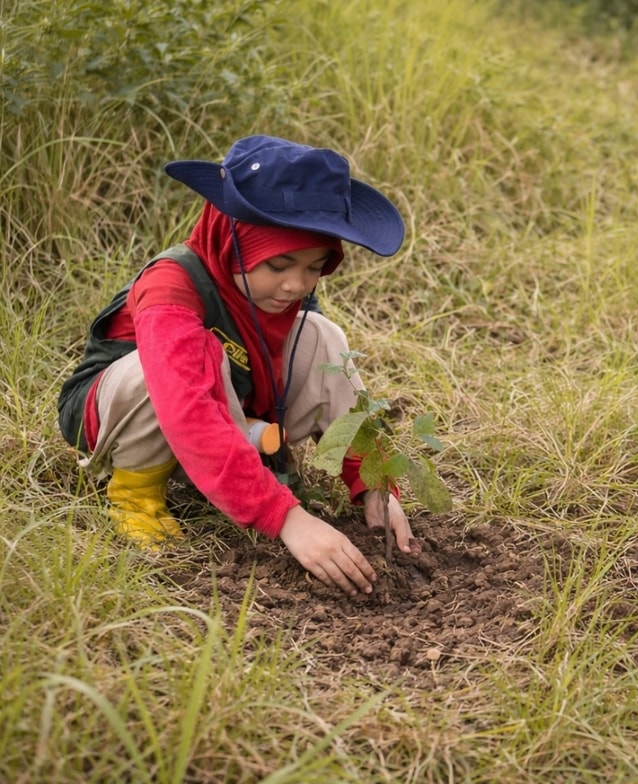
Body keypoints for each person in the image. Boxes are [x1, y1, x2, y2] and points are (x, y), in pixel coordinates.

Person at [58, 135, 420, 598]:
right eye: (279, 265)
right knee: (169, 365)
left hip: (235, 407)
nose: (295, 285)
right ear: (232, 241)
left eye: (314, 267)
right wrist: (287, 518)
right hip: (128, 416)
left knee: (322, 333)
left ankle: (337, 482)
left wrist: (378, 486)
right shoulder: (171, 285)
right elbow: (187, 408)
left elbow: (307, 361)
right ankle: (136, 494)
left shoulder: (283, 292)